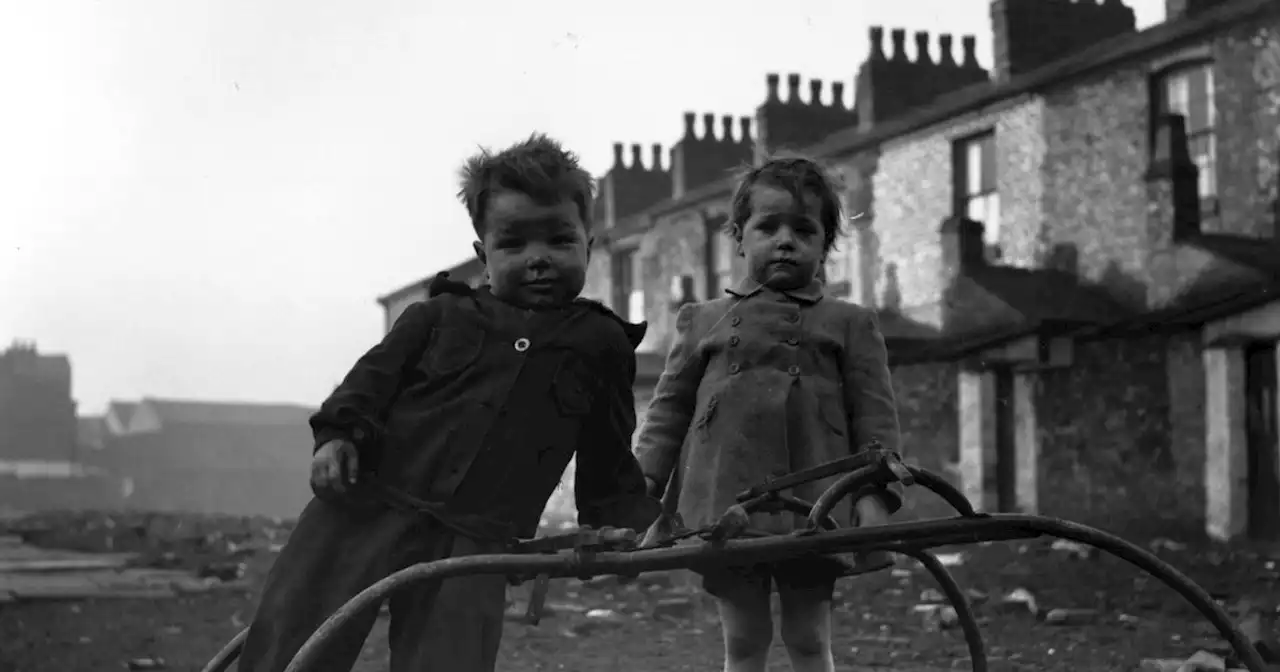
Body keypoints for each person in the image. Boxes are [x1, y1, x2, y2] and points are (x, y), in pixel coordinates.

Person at [236, 133, 661, 672]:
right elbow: (366, 386)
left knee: (449, 661)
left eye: (559, 241)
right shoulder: (437, 316)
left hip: (475, 540)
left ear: (589, 244)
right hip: (365, 507)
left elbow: (608, 453)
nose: (538, 260)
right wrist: (339, 436)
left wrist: (623, 525)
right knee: (293, 638)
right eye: (514, 245)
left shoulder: (599, 344)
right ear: (483, 255)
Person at [634, 156, 903, 672]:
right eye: (768, 226)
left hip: (817, 504)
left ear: (825, 245)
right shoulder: (702, 321)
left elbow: (874, 416)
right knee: (745, 637)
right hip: (723, 500)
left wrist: (873, 494)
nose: (785, 240)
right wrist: (642, 487)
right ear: (738, 236)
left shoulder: (851, 323)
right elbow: (668, 411)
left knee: (807, 636)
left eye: (804, 230)